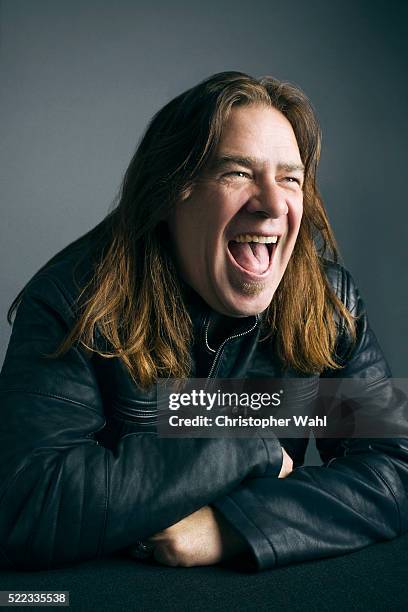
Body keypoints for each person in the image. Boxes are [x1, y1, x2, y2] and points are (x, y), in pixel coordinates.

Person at [1, 71, 407, 572]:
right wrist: (244, 445)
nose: (273, 203)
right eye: (237, 172)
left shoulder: (328, 299)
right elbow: (27, 504)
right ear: (173, 192)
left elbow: (396, 467)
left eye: (290, 179)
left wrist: (230, 529)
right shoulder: (75, 300)